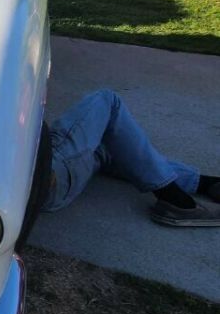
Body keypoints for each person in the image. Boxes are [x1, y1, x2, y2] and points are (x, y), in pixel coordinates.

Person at [41, 89, 220, 227]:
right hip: (49, 173)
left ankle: (205, 184)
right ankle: (176, 200)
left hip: (55, 184)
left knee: (112, 144)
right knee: (107, 100)